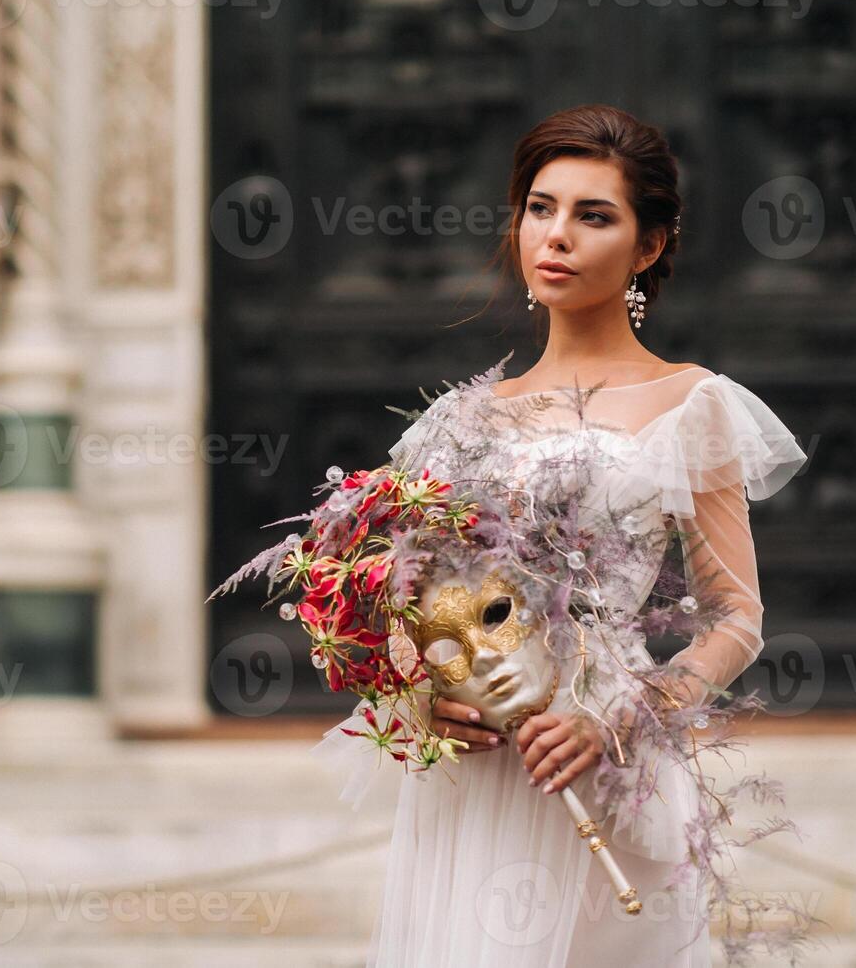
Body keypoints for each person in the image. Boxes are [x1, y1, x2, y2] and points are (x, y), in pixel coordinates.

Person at [309, 104, 810, 966]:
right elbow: (402, 601)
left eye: (594, 215)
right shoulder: (453, 421)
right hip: (473, 781)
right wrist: (419, 698)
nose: (557, 235)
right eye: (540, 208)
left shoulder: (691, 404)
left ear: (647, 248)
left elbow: (735, 618)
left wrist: (616, 719)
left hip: (606, 770)